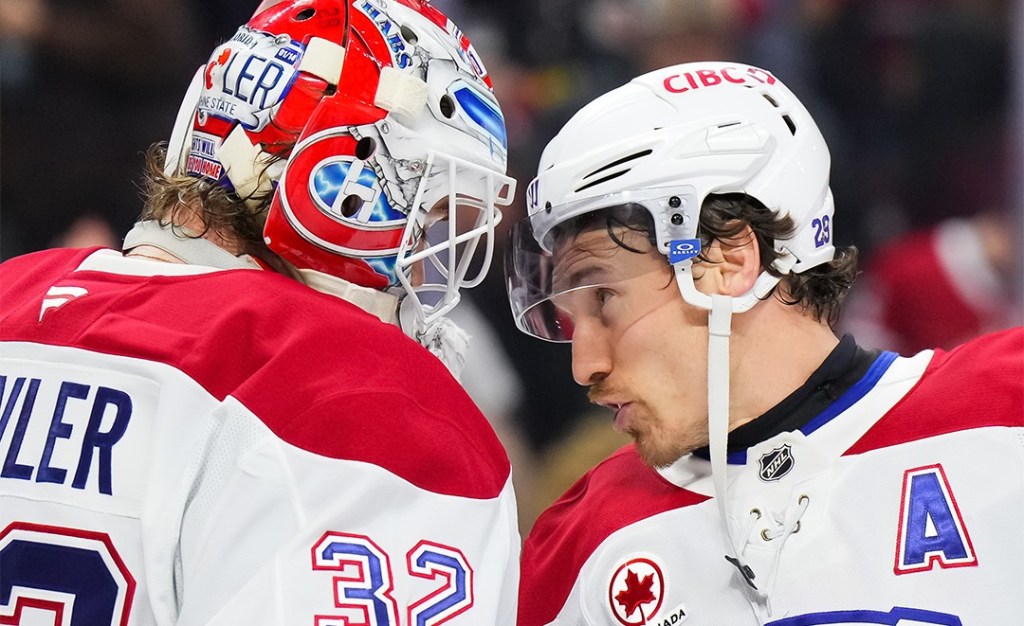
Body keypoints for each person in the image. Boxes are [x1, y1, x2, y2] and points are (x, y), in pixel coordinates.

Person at [0, 0, 520, 623]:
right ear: (343, 184)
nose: (427, 260)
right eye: (432, 220)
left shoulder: (12, 293)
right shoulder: (357, 393)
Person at [504, 61, 1023, 624]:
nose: (585, 366)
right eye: (570, 318)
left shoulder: (1004, 410)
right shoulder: (582, 545)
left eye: (604, 298)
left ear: (730, 260)